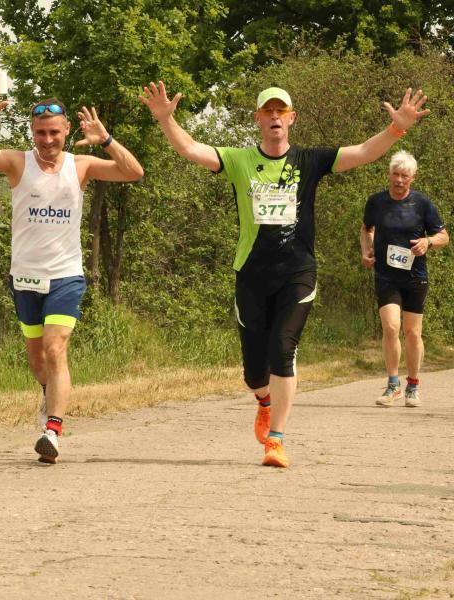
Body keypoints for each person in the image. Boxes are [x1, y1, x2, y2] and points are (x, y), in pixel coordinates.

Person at [140, 81, 429, 468]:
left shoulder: (309, 160)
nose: (275, 117)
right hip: (252, 274)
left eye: (281, 111)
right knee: (254, 374)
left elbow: (363, 152)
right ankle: (264, 402)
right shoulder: (240, 160)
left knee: (283, 349)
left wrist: (397, 128)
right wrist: (166, 119)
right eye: (268, 111)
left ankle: (275, 440)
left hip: (297, 272)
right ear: (257, 119)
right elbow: (191, 148)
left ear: (292, 118)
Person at [0, 78, 144, 463]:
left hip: (65, 276)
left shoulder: (81, 165)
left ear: (67, 130)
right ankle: (49, 394)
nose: (47, 139)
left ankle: (52, 431)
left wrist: (106, 140)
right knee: (38, 361)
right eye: (41, 132)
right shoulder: (17, 162)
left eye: (54, 132)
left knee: (56, 349)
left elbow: (133, 172)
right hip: (25, 277)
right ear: (32, 131)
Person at [360, 151, 449, 408]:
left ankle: (413, 386)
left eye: (405, 176)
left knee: (412, 332)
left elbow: (443, 236)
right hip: (386, 275)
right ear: (389, 174)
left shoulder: (422, 204)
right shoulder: (376, 201)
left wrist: (428, 242)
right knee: (390, 327)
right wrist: (366, 250)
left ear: (413, 178)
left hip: (414, 277)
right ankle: (392, 385)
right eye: (395, 174)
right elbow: (366, 229)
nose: (399, 180)